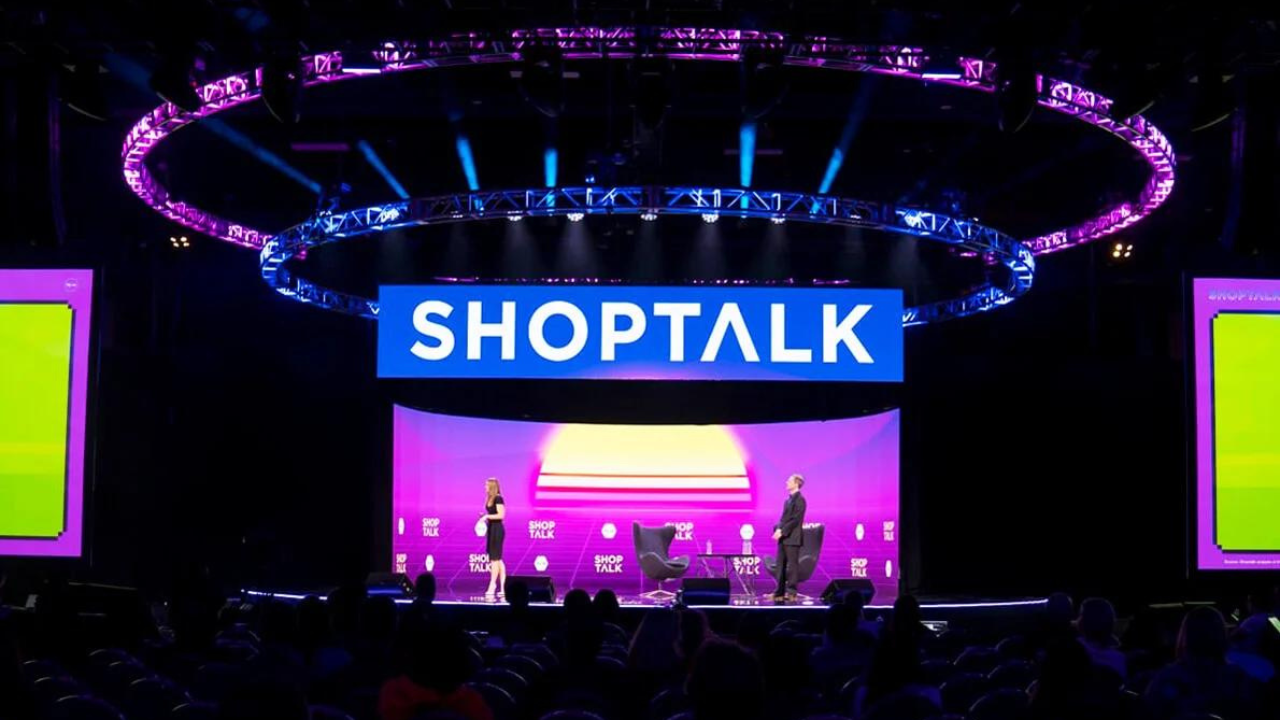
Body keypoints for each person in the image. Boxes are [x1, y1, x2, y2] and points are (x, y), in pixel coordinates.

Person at [771, 473, 807, 602]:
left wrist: (783, 531)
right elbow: (784, 518)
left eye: (789, 481)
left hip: (793, 537)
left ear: (796, 483)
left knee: (792, 566)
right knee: (780, 565)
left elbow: (795, 520)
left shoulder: (800, 500)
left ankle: (791, 592)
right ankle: (779, 592)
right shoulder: (788, 500)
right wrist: (778, 529)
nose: (786, 482)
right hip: (784, 537)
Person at [479, 478, 506, 599]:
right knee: (498, 559)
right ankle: (504, 586)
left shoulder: (498, 498)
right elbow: (492, 514)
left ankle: (492, 585)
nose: (485, 487)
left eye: (486, 485)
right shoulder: (490, 499)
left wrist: (487, 516)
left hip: (497, 530)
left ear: (492, 486)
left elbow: (501, 515)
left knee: (495, 559)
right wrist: (485, 517)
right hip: (491, 529)